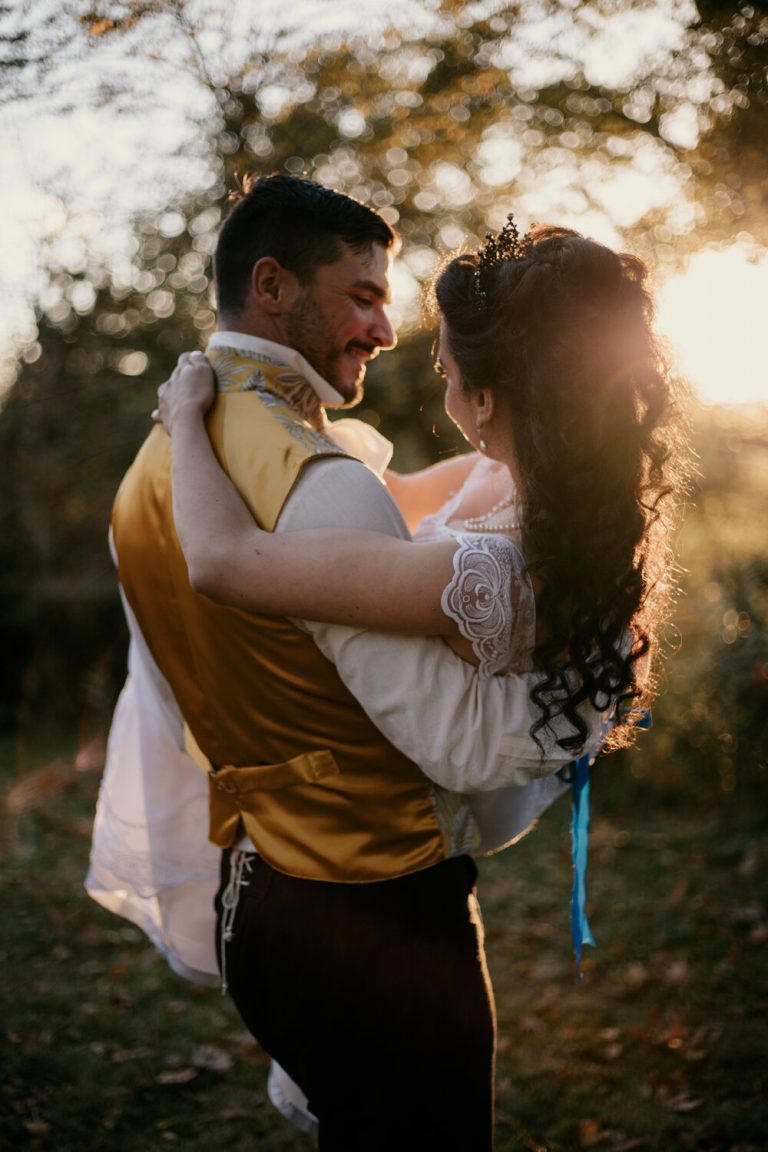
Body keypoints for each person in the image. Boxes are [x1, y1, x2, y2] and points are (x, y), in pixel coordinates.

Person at [87, 175, 677, 1151]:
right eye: (364, 296)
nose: (397, 337)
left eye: (441, 362)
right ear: (272, 285)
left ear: (489, 403)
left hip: (258, 882)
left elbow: (229, 562)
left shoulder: (156, 472)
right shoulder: (542, 497)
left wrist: (187, 415)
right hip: (372, 917)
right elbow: (396, 491)